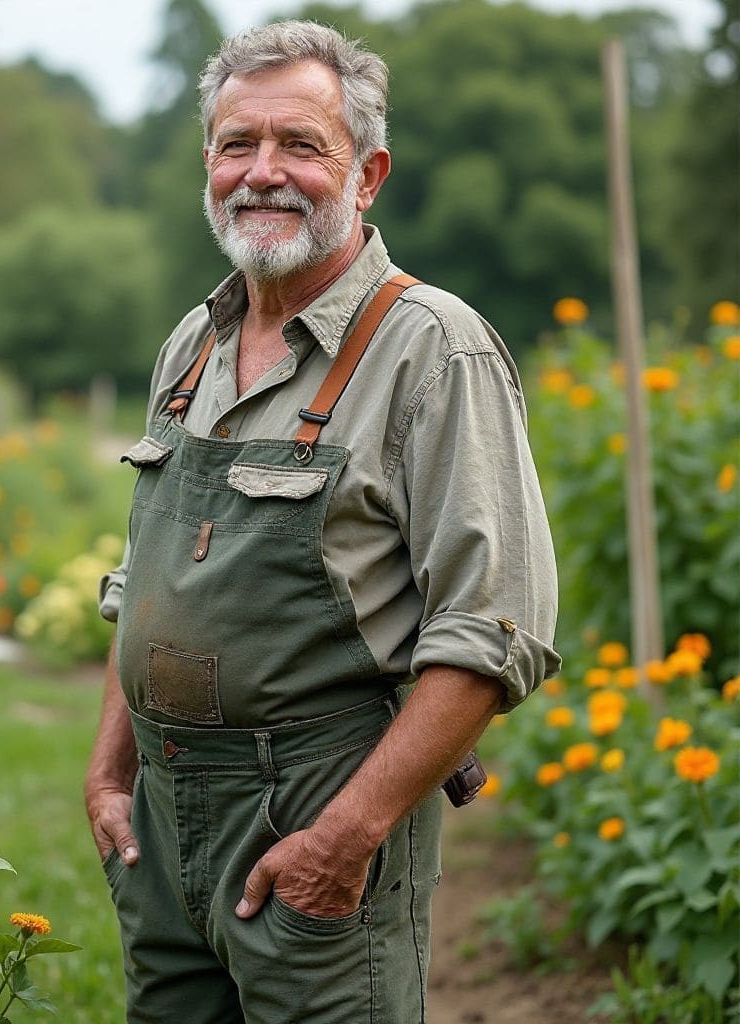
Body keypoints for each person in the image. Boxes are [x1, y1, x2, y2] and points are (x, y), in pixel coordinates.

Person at [85, 19, 559, 1024]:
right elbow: (145, 577)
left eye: (300, 145)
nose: (262, 173)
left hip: (313, 808)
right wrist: (108, 772)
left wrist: (347, 834)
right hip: (165, 826)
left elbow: (493, 629)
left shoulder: (433, 349)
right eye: (235, 144)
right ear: (207, 163)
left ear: (368, 172)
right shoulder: (192, 341)